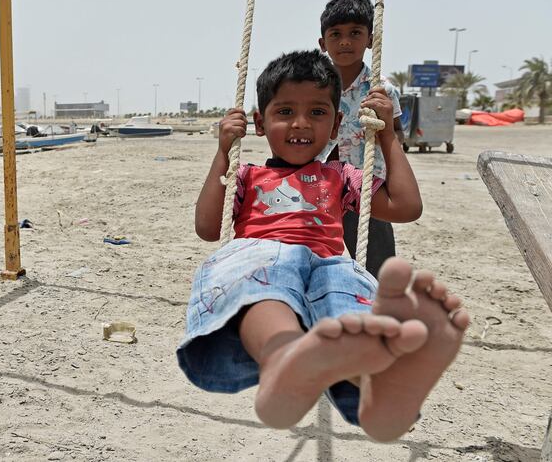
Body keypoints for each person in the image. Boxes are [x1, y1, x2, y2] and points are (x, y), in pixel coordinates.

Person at [177, 50, 469, 441]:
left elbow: (406, 207)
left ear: (336, 127)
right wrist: (222, 153)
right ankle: (286, 358)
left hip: (329, 265)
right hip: (262, 255)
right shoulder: (247, 175)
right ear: (260, 123)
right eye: (285, 112)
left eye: (317, 112)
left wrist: (386, 136)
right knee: (262, 287)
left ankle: (381, 395)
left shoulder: (341, 176)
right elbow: (208, 227)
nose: (301, 123)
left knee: (348, 301)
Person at [317, 0, 403, 276]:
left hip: (365, 187)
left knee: (376, 264)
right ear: (323, 43)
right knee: (314, 259)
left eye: (355, 33)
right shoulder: (314, 88)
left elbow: (397, 136)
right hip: (318, 185)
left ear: (369, 40)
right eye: (336, 34)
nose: (345, 41)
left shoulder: (382, 91)